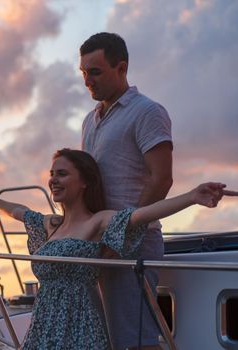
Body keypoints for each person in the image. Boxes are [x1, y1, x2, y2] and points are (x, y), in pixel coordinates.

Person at [0, 148, 235, 350]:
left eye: (62, 174)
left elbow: (142, 215)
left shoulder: (98, 221)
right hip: (44, 325)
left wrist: (191, 196)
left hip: (81, 324)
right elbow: (20, 212)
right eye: (52, 174)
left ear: (84, 182)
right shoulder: (50, 225)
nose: (53, 180)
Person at [79, 32, 173, 349]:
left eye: (95, 72)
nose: (87, 81)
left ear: (121, 68)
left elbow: (161, 179)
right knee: (110, 338)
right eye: (83, 73)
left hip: (134, 244)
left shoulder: (148, 112)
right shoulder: (89, 121)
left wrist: (123, 236)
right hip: (100, 243)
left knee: (136, 338)